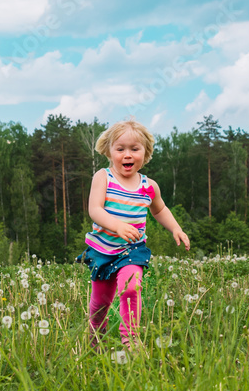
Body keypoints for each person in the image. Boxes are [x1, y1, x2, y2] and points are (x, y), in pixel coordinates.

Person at [80, 118, 190, 350]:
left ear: (145, 153)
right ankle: (95, 341)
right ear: (110, 152)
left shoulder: (148, 186)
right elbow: (94, 209)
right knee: (100, 303)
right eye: (120, 149)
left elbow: (159, 209)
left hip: (132, 250)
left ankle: (131, 340)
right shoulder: (103, 177)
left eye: (134, 149)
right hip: (103, 250)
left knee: (131, 287)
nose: (127, 155)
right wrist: (117, 226)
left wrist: (176, 228)